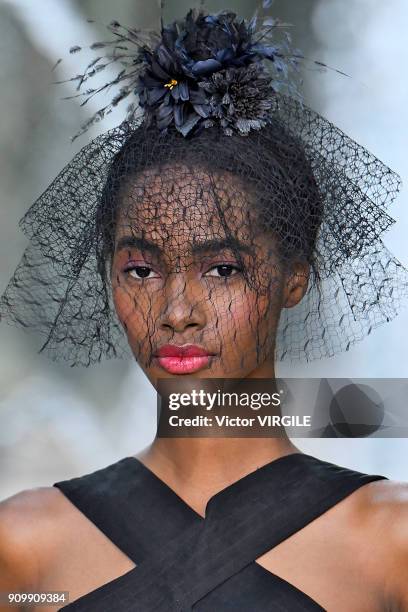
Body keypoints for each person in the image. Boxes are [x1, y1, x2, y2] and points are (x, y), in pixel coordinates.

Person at [0, 6, 408, 611]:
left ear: (296, 276)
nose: (177, 310)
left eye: (223, 269)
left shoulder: (390, 542)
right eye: (141, 270)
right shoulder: (24, 549)